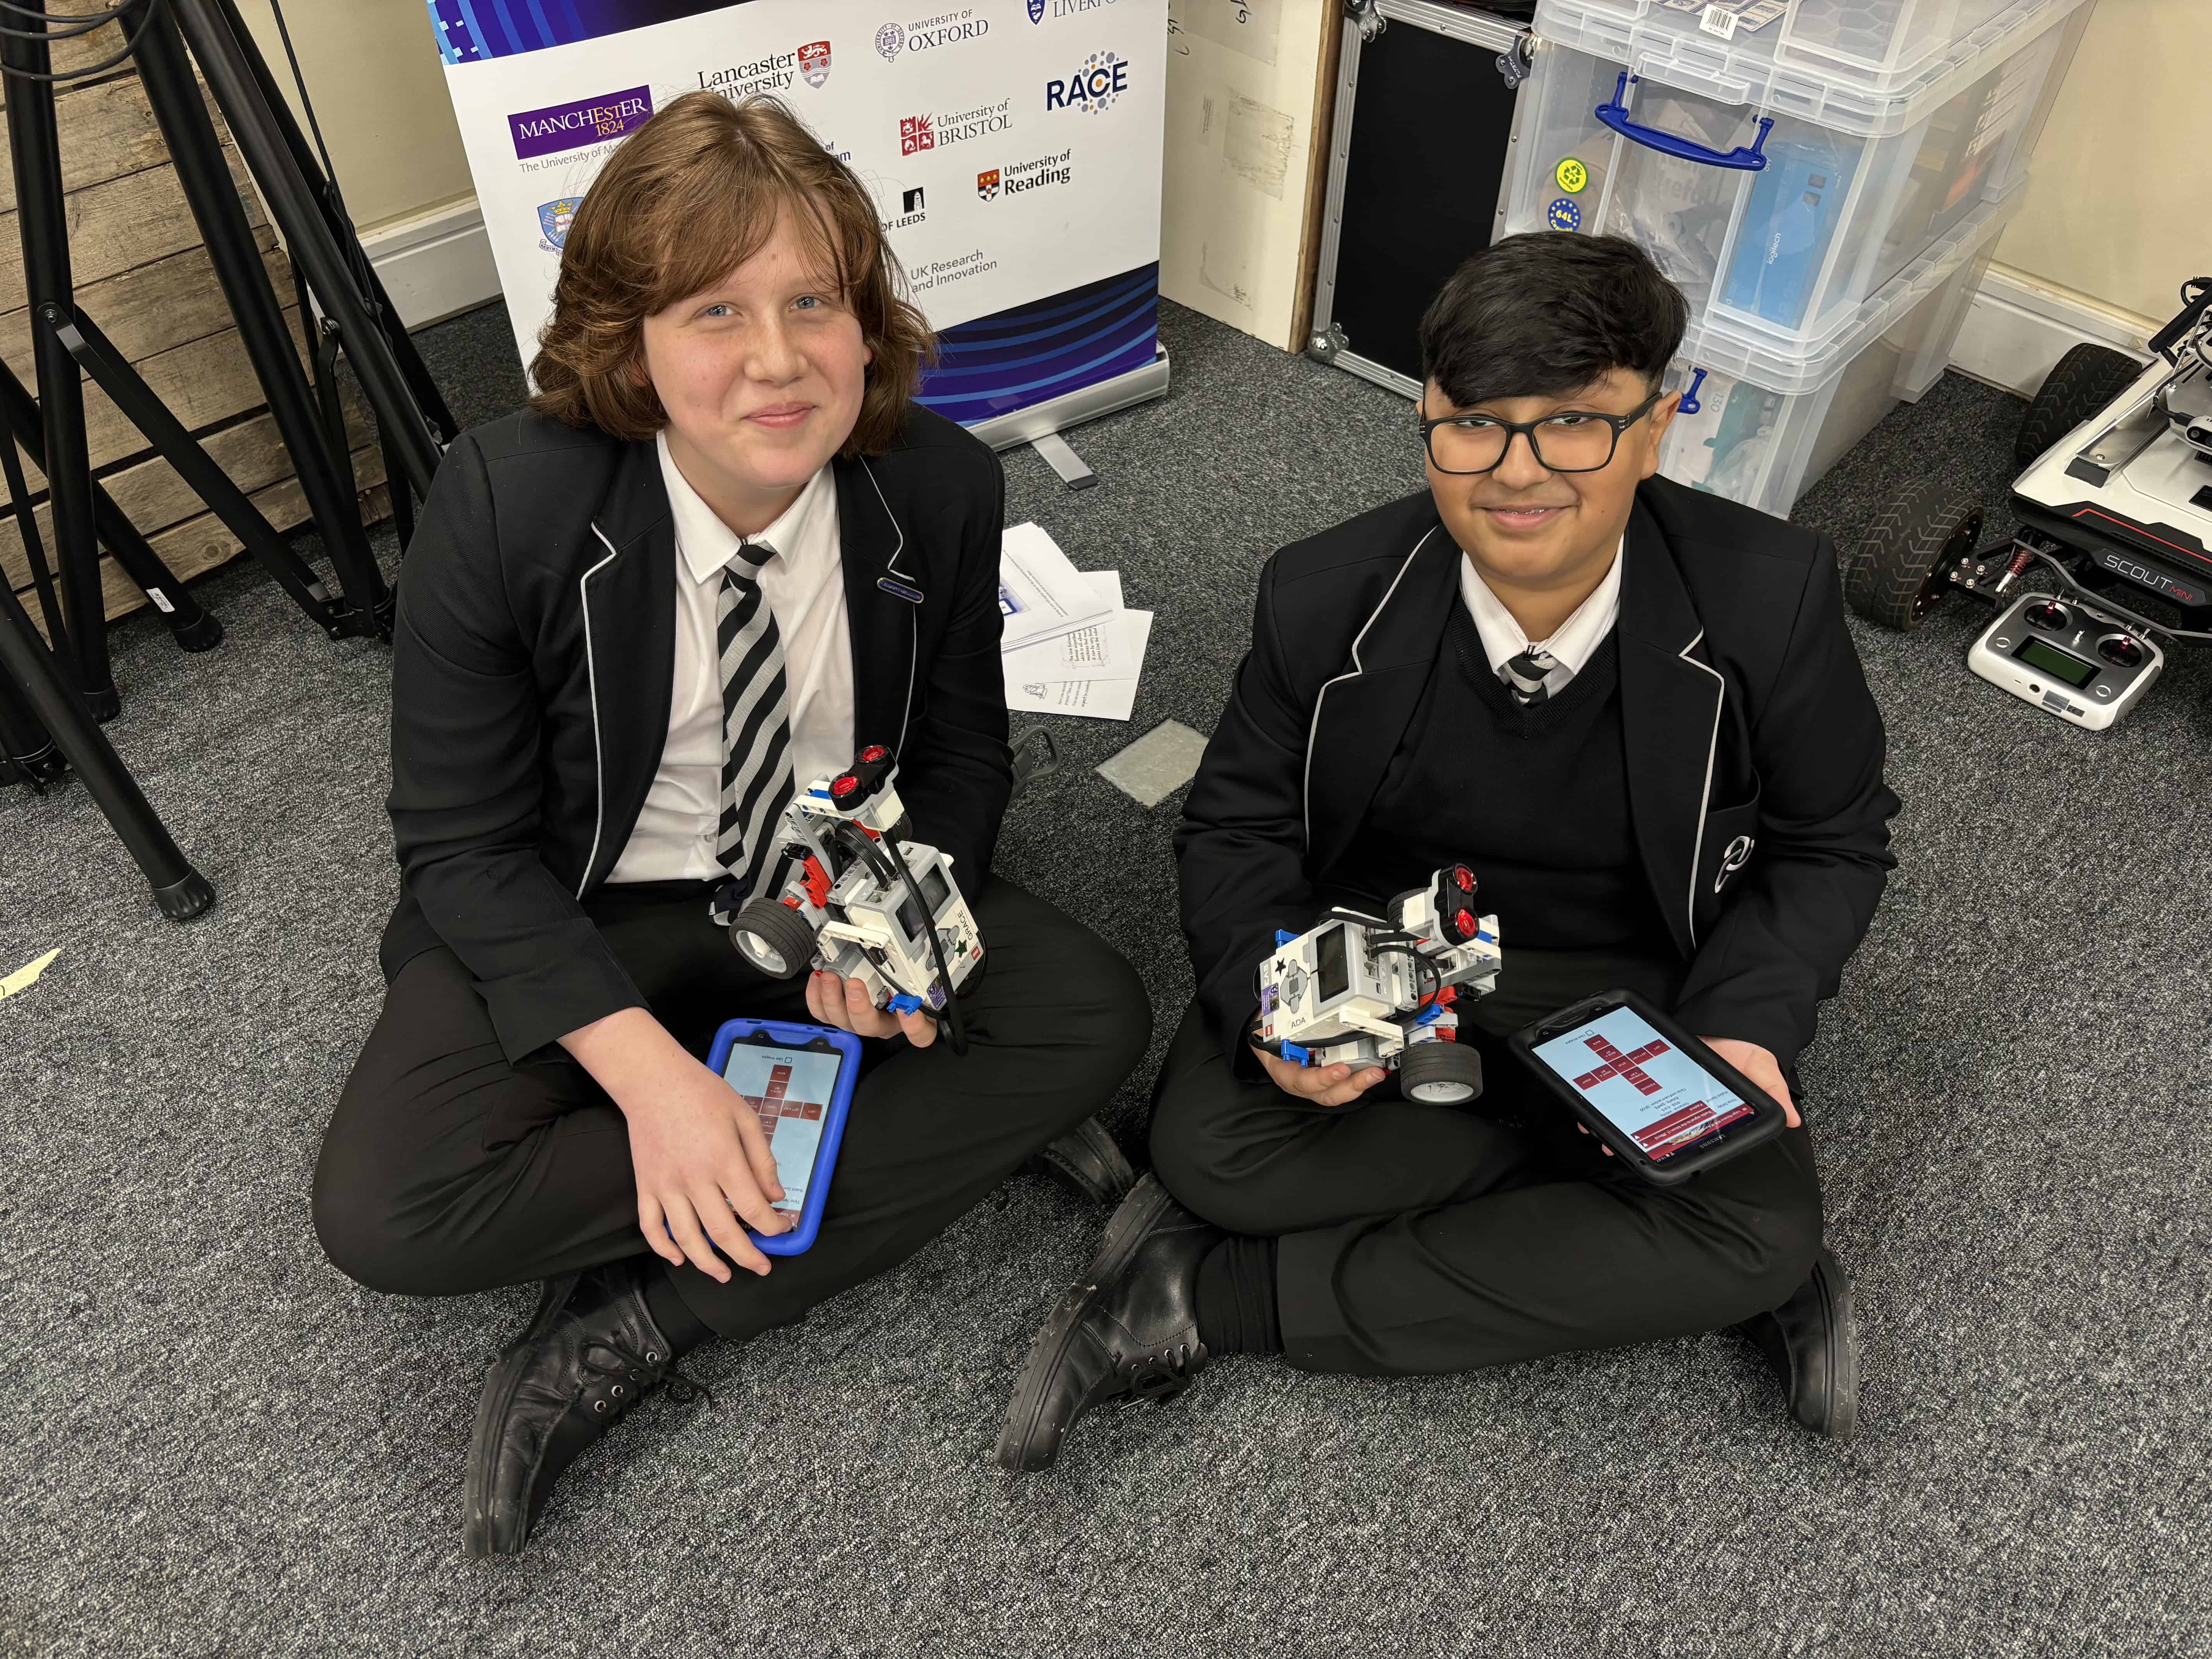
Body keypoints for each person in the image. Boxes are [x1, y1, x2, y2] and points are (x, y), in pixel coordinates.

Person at [312, 93, 1150, 1554]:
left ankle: (638, 1316)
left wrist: (892, 930)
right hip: (594, 904)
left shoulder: (936, 482)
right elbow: (461, 845)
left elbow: (960, 754)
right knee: (387, 1210)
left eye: (815, 301)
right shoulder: (504, 502)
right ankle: (870, 1125)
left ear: (865, 316)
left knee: (1093, 1012)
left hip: (820, 884)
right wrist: (648, 1079)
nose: (779, 360)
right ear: (628, 339)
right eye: (715, 310)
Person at [998, 233, 1899, 1470]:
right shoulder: (1324, 593)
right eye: (1475, 424)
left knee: (1757, 1230)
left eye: (1576, 423)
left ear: (1659, 421)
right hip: (1391, 965)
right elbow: (1239, 825)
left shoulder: (1772, 597)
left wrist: (1745, 1027)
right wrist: (1275, 1004)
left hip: (1632, 985)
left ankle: (1208, 1299)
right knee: (1208, 1146)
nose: (1518, 473)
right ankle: (1635, 1226)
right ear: (1426, 416)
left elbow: (1834, 838)